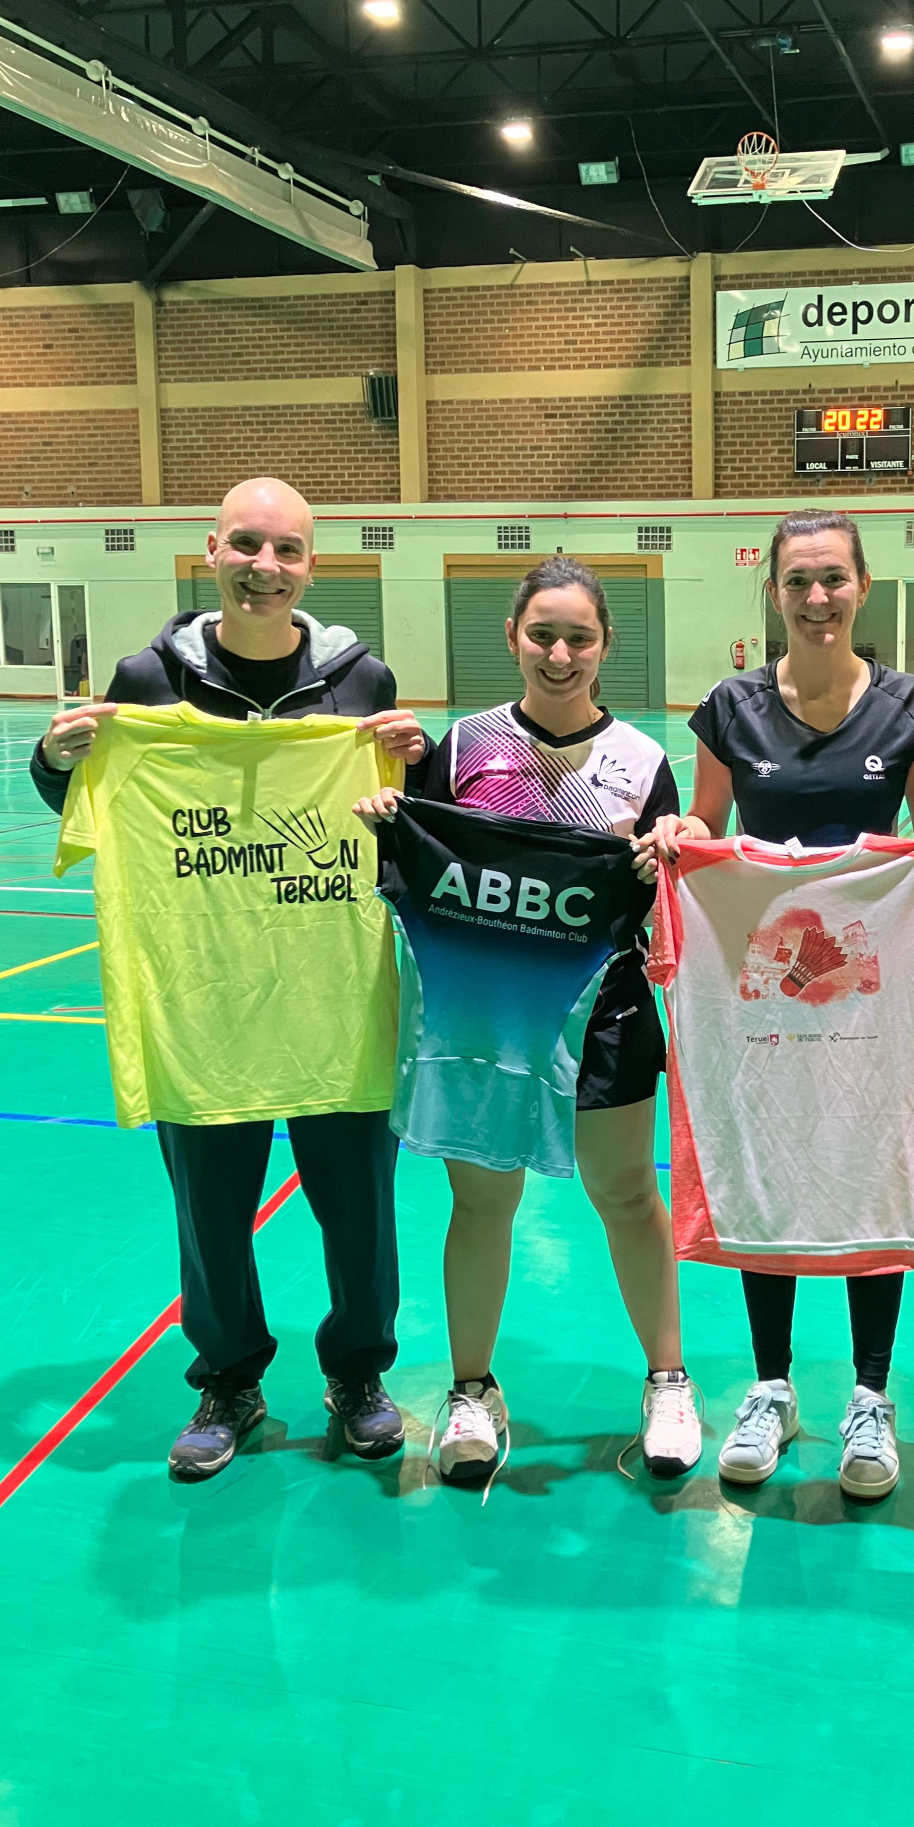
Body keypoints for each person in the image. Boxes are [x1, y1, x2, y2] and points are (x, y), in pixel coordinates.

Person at [31, 478, 430, 1480]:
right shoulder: (146, 679)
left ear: (312, 565)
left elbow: (405, 829)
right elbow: (89, 801)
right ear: (211, 550)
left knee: (360, 1207)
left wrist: (412, 768)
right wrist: (55, 760)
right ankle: (229, 1379)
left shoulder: (362, 681)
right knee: (210, 1212)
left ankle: (359, 1373)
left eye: (286, 549)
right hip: (198, 992)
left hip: (333, 991)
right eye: (247, 544)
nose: (265, 566)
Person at [355, 557, 702, 1489]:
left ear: (604, 645)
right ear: (512, 637)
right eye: (542, 634)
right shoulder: (460, 748)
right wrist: (391, 812)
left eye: (578, 637)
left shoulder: (642, 762)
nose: (559, 654)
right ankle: (472, 1391)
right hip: (485, 1015)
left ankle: (669, 1381)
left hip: (604, 1006)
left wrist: (667, 853)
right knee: (483, 1201)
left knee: (626, 1194)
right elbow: (416, 860)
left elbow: (665, 899)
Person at [641, 509, 914, 1500]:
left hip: (868, 987)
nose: (817, 597)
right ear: (774, 592)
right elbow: (709, 820)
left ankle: (870, 1396)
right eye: (798, 581)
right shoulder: (731, 707)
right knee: (765, 1149)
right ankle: (772, 1387)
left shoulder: (907, 705)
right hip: (763, 987)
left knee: (870, 1157)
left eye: (833, 578)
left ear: (861, 586)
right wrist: (680, 835)